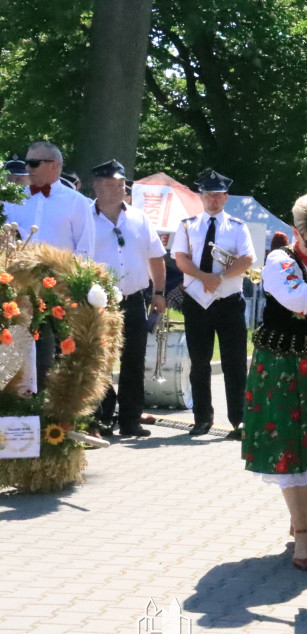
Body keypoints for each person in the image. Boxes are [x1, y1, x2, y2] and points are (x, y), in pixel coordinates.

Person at [242, 192, 307, 571]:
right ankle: (302, 532)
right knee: (290, 446)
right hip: (285, 364)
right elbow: (299, 298)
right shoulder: (279, 258)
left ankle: (303, 518)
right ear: (295, 232)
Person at [2, 141, 95, 389]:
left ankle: (52, 413)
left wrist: (73, 287)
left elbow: (85, 250)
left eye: (34, 163)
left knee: (56, 352)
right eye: (26, 163)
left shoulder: (77, 202)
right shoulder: (12, 201)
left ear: (54, 166)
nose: (27, 168)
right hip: (18, 290)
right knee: (16, 351)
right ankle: (19, 406)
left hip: (58, 290)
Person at [171, 170, 255, 438]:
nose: (213, 200)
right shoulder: (187, 225)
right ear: (201, 197)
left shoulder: (238, 227)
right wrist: (204, 277)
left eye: (218, 195)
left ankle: (238, 420)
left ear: (226, 197)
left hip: (228, 301)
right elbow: (181, 259)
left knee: (235, 362)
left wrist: (218, 277)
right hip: (197, 301)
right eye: (208, 195)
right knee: (199, 363)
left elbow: (246, 260)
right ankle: (202, 419)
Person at [90, 160, 167, 438]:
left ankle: (130, 419)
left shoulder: (139, 217)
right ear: (96, 186)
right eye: (110, 184)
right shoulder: (83, 218)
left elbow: (156, 258)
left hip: (134, 299)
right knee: (98, 361)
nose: (117, 190)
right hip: (96, 302)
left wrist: (158, 292)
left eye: (121, 185)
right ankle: (100, 416)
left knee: (134, 360)